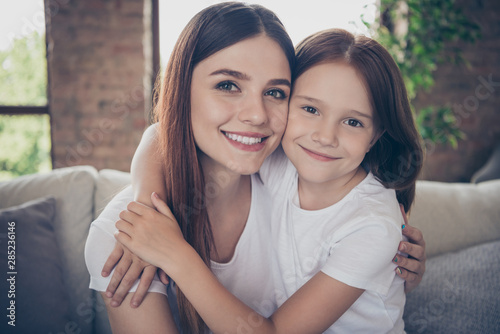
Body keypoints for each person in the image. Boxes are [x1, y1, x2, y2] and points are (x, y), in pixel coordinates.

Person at [85, 2, 426, 333]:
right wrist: (147, 206)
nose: (257, 115)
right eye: (228, 85)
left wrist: (175, 253)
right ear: (181, 92)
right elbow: (160, 133)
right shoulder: (124, 237)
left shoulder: (286, 168)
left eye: (275, 92)